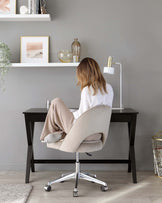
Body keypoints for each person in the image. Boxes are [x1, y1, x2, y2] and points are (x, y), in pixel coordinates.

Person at [40, 57, 113, 143]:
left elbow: (83, 117)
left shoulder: (87, 90)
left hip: (83, 133)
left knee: (56, 102)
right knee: (67, 114)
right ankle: (61, 134)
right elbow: (89, 113)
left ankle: (46, 136)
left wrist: (69, 114)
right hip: (98, 134)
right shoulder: (109, 88)